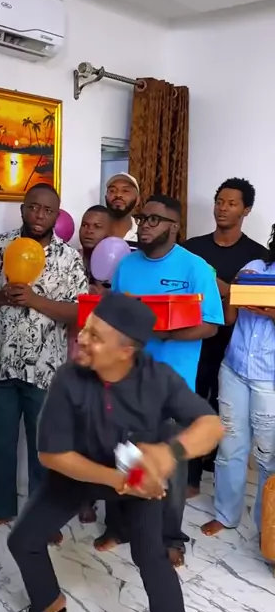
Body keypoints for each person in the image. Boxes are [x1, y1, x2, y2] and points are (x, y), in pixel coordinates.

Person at [4, 294, 223, 612]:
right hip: (79, 472)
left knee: (152, 560)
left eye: (96, 336)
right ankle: (49, 604)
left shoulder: (156, 378)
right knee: (23, 540)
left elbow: (211, 424)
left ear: (126, 351)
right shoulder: (69, 377)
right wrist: (117, 481)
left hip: (140, 480)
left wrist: (170, 452)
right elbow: (51, 454)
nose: (82, 339)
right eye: (85, 328)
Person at [98, 196, 224, 564]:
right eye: (143, 218)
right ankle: (118, 526)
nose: (145, 225)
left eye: (155, 219)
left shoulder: (195, 267)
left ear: (174, 227)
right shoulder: (126, 266)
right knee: (122, 457)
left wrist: (165, 333)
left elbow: (211, 325)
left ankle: (171, 539)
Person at [0, 183, 88, 533]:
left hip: (45, 369)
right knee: (0, 442)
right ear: (23, 208)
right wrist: (1, 296)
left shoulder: (69, 258)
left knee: (44, 447)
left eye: (48, 210)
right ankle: (1, 508)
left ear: (57, 215)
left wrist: (35, 300)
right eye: (33, 207)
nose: (39, 215)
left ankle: (42, 518)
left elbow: (78, 312)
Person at [184, 178, 269, 496]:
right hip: (193, 341)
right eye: (219, 201)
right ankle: (190, 478)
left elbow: (254, 303)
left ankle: (214, 470)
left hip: (235, 350)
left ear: (246, 210)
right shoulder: (192, 248)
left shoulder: (257, 257)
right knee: (191, 406)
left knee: (227, 420)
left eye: (231, 203)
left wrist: (225, 288)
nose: (222, 208)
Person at [201, 229, 275, 538]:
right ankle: (226, 514)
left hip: (269, 379)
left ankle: (267, 528)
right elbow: (229, 318)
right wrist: (235, 289)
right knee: (230, 445)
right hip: (233, 368)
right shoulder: (255, 267)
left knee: (268, 456)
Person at [76, 204, 112, 524]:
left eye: (96, 226)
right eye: (85, 224)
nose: (88, 230)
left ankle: (98, 495)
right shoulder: (68, 258)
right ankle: (81, 496)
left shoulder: (121, 266)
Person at [104, 172, 139, 247]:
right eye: (112, 190)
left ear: (137, 200)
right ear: (105, 198)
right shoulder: (95, 231)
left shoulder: (144, 232)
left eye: (125, 191)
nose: (118, 195)